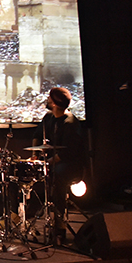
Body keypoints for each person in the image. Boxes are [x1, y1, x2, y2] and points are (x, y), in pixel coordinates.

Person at [30, 87, 84, 244]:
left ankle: (60, 226)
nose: (47, 100)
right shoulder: (48, 118)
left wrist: (48, 162)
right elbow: (37, 135)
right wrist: (35, 156)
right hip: (51, 161)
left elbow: (68, 152)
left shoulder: (70, 123)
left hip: (68, 164)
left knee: (58, 178)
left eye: (49, 99)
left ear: (54, 103)